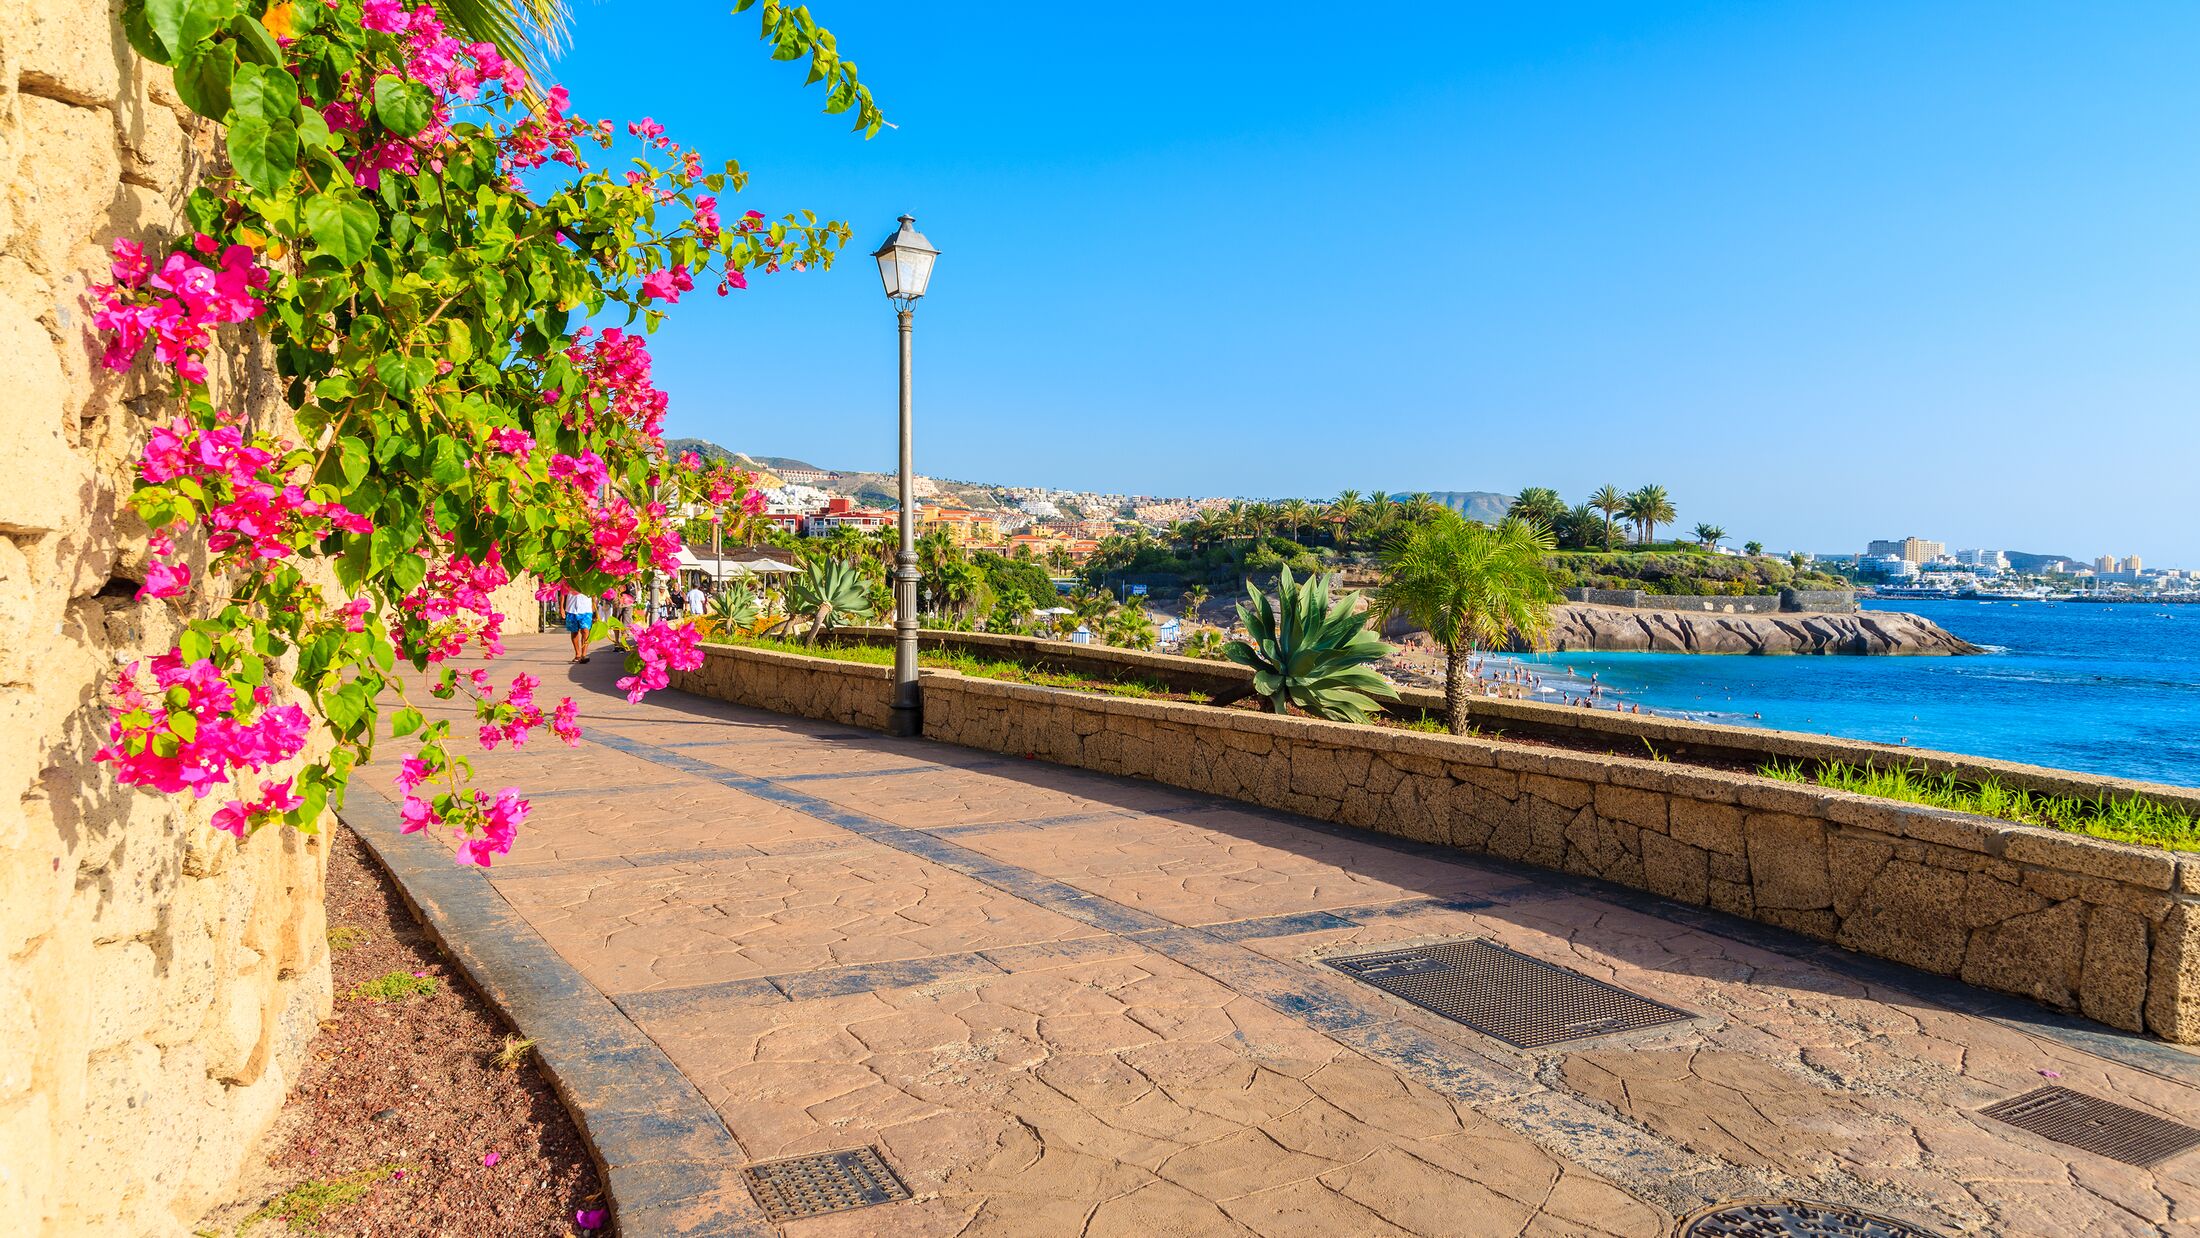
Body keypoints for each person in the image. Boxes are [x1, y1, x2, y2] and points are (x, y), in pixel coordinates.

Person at [564, 588, 595, 663]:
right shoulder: (568, 578)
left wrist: (594, 607)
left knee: (585, 630)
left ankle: (584, 654)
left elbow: (594, 594)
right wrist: (562, 607)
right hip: (571, 608)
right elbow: (563, 593)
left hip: (586, 609)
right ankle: (578, 654)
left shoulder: (588, 578)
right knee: (574, 632)